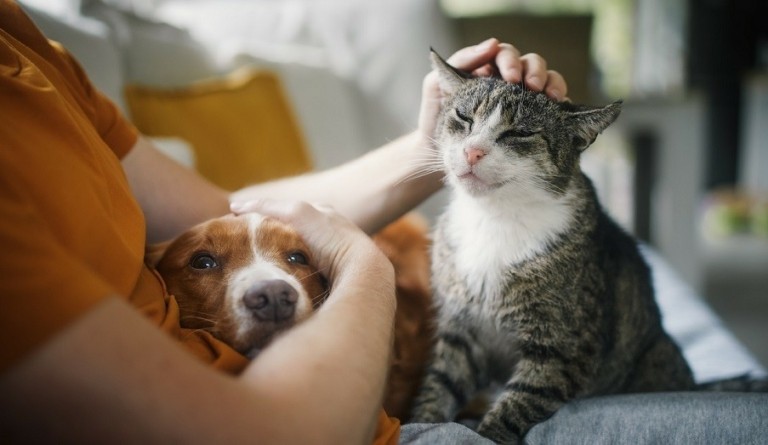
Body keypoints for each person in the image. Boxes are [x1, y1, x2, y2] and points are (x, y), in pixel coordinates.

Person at [0, 0, 567, 443]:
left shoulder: (28, 47)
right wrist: (361, 264)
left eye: (299, 261)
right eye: (201, 263)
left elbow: (226, 213)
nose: (271, 289)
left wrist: (430, 149)